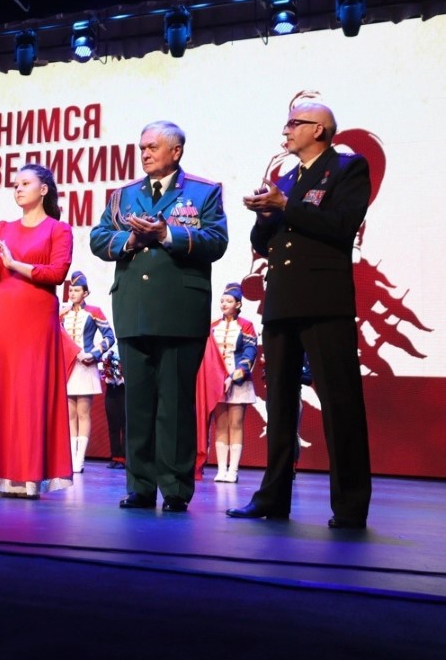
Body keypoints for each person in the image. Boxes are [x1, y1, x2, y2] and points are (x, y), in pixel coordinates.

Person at [229, 101, 372, 529]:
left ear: (319, 129)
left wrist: (285, 205)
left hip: (324, 300)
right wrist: (264, 215)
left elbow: (342, 225)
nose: (286, 130)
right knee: (280, 404)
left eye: (294, 123)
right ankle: (273, 497)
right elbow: (265, 243)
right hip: (282, 301)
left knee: (340, 402)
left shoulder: (347, 168)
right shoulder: (285, 179)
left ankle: (349, 506)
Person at [90, 120, 228, 512]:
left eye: (152, 147)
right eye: (142, 148)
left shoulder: (203, 191)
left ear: (176, 151)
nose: (145, 153)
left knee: (175, 404)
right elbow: (99, 238)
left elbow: (216, 241)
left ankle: (175, 488)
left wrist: (167, 234)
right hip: (133, 308)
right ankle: (140, 485)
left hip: (180, 310)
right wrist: (131, 238)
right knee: (138, 403)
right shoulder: (124, 195)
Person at [0, 163, 74, 499]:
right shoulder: (4, 227)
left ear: (44, 189)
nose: (18, 189)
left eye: (25, 183)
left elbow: (57, 273)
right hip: (3, 315)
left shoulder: (59, 229)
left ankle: (28, 477)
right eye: (15, 185)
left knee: (30, 390)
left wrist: (15, 264)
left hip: (36, 318)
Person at [198, 282, 257, 482]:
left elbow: (250, 352)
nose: (224, 304)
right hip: (217, 382)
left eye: (229, 301)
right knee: (220, 425)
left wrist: (235, 376)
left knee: (236, 424)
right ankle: (221, 469)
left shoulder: (246, 325)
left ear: (238, 304)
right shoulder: (213, 326)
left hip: (238, 380)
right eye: (222, 301)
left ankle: (233, 470)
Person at [59, 270, 115, 473]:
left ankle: (79, 459)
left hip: (85, 366)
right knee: (70, 414)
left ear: (85, 293)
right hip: (67, 366)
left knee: (83, 412)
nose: (72, 293)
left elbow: (109, 336)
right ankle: (71, 456)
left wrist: (93, 353)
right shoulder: (62, 314)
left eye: (77, 290)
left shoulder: (94, 311)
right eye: (71, 290)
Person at [100, 350, 126, 469]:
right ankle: (116, 456)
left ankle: (125, 458)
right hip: (111, 389)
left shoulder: (125, 350)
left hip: (124, 389)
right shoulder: (108, 350)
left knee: (125, 425)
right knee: (113, 426)